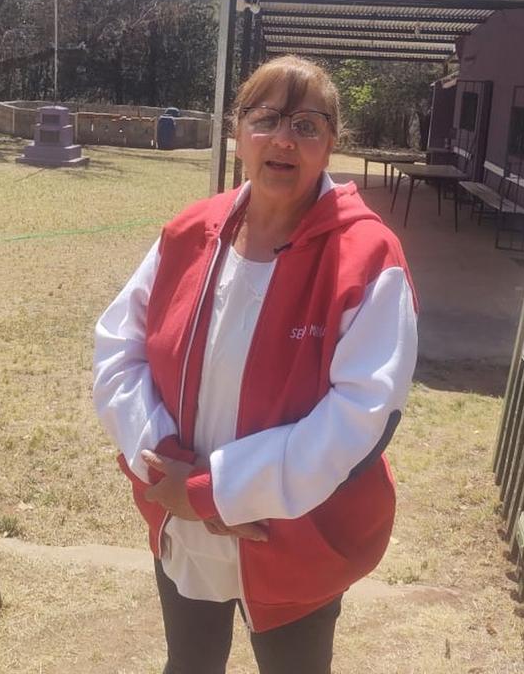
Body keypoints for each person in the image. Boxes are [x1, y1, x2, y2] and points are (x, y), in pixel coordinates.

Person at [93, 55, 419, 674]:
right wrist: (164, 463)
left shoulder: (368, 256)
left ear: (331, 144)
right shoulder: (191, 231)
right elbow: (119, 346)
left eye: (307, 124)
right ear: (237, 132)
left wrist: (218, 492)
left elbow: (361, 416)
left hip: (294, 533)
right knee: (189, 663)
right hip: (181, 513)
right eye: (266, 118)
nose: (284, 139)